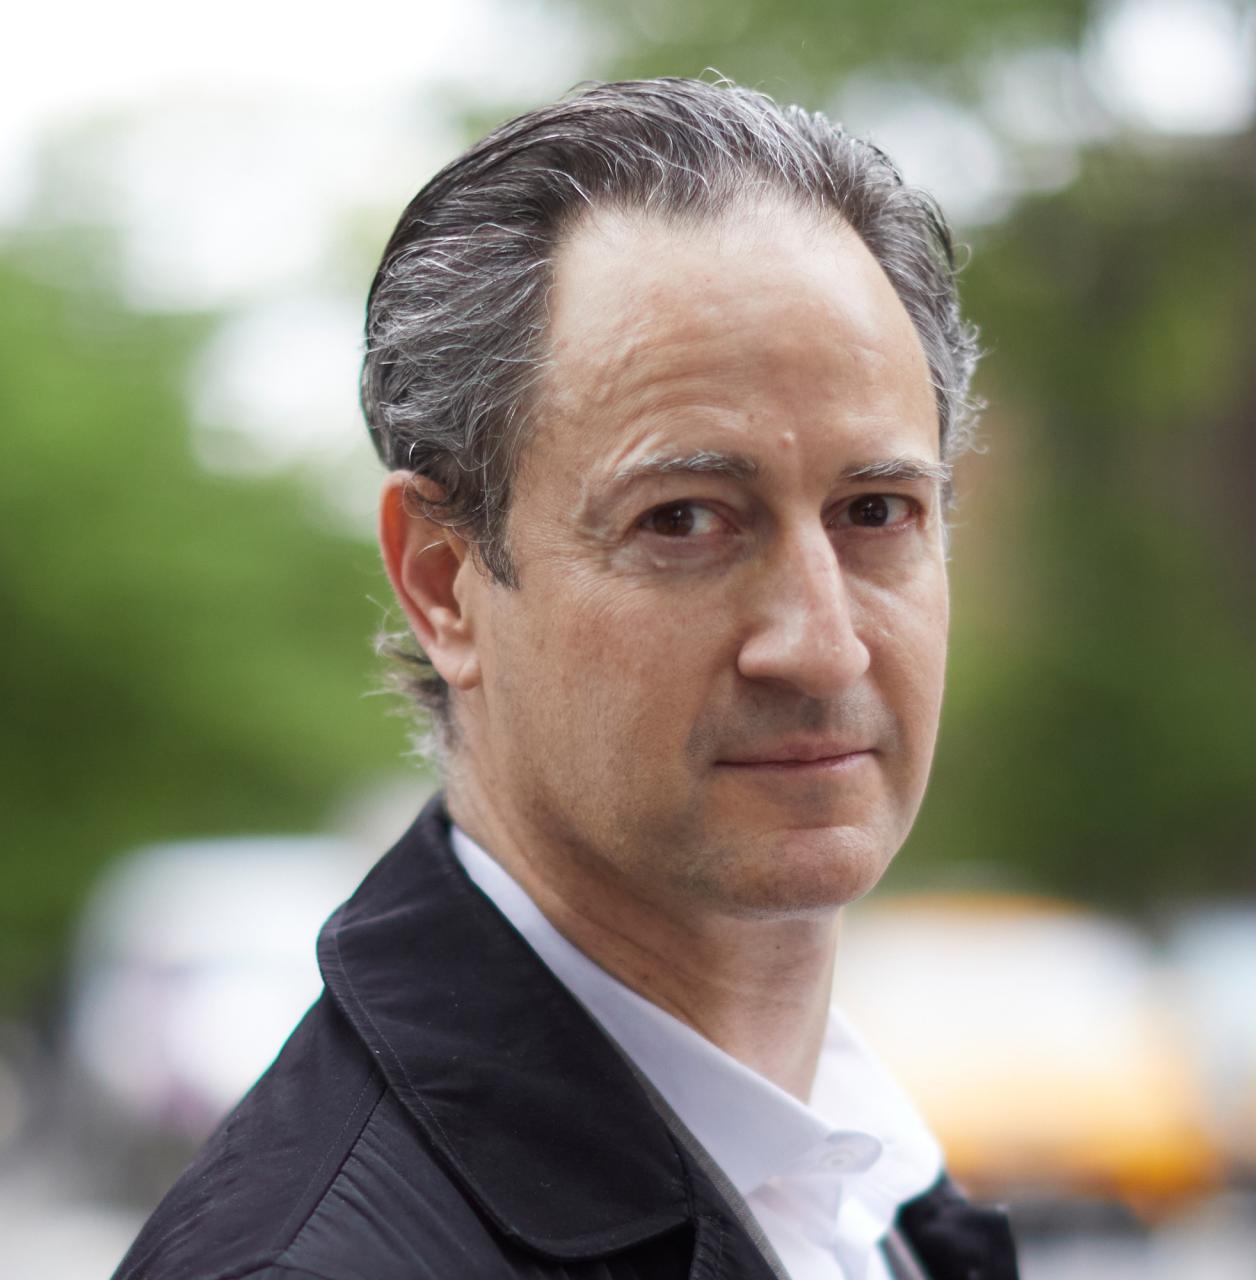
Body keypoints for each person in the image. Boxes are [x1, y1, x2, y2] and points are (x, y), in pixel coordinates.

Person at [115, 77, 1019, 1280]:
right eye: (685, 517)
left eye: (874, 509)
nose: (821, 643)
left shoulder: (869, 1196)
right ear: (443, 582)